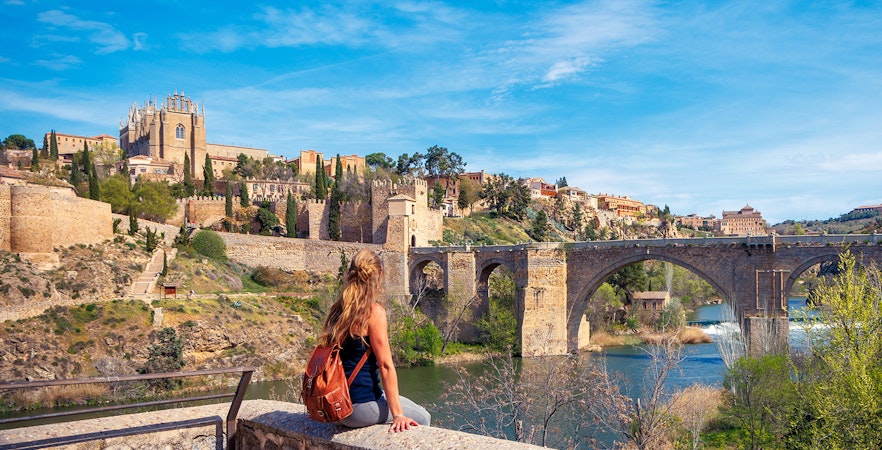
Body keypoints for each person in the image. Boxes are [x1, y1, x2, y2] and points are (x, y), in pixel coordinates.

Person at [318, 249, 430, 432]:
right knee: (423, 417)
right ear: (380, 275)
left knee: (407, 403)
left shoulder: (337, 310)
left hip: (334, 405)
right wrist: (398, 415)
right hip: (358, 408)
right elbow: (385, 366)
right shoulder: (373, 313)